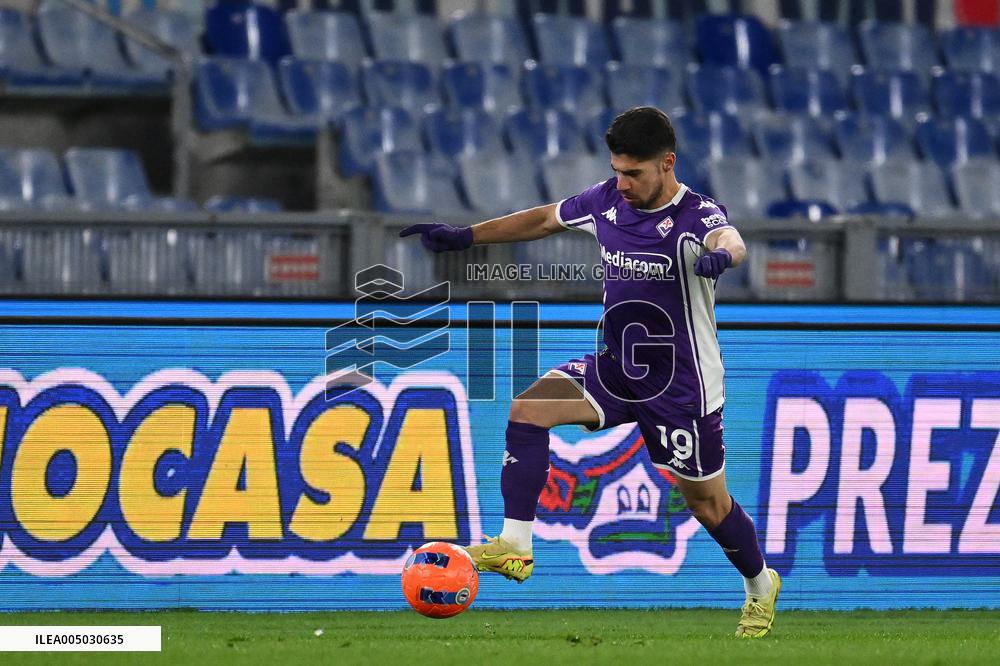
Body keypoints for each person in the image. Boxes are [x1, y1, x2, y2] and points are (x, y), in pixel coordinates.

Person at [399, 106, 780, 638]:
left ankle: (760, 585)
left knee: (708, 504)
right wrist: (467, 236)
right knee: (529, 408)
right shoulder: (606, 201)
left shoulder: (697, 215)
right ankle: (515, 544)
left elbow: (730, 239)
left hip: (681, 388)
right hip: (617, 368)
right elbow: (543, 219)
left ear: (667, 163)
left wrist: (724, 259)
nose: (622, 183)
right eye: (617, 171)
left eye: (634, 173)